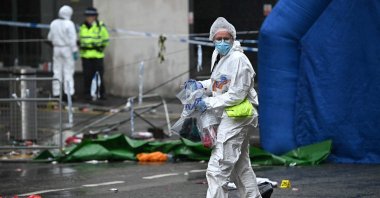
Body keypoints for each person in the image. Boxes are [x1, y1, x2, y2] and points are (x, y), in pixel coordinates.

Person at [196, 17, 261, 198]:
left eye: (226, 39)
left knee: (218, 168)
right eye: (219, 38)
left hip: (237, 116)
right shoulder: (219, 56)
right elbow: (220, 83)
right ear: (213, 39)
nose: (222, 42)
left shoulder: (238, 59)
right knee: (240, 167)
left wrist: (207, 102)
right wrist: (200, 86)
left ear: (233, 39)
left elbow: (236, 94)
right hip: (230, 115)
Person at [79, 7, 109, 101]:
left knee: (98, 76)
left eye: (91, 16)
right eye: (88, 16)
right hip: (86, 55)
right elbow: (80, 40)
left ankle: (101, 93)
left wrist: (100, 47)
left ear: (95, 16)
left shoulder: (100, 26)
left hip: (97, 55)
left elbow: (106, 39)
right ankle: (87, 94)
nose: (89, 18)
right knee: (87, 76)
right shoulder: (82, 27)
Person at [48, 5, 78, 99]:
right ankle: (69, 93)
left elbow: (49, 37)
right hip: (67, 49)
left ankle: (56, 93)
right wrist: (75, 51)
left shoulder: (53, 23)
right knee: (68, 72)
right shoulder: (69, 24)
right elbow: (73, 39)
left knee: (57, 72)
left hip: (56, 49)